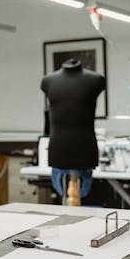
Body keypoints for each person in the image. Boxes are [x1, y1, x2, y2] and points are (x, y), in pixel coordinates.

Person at [41, 59, 105, 199]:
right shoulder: (47, 81)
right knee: (64, 198)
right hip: (59, 150)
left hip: (84, 149)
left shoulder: (96, 79)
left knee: (81, 200)